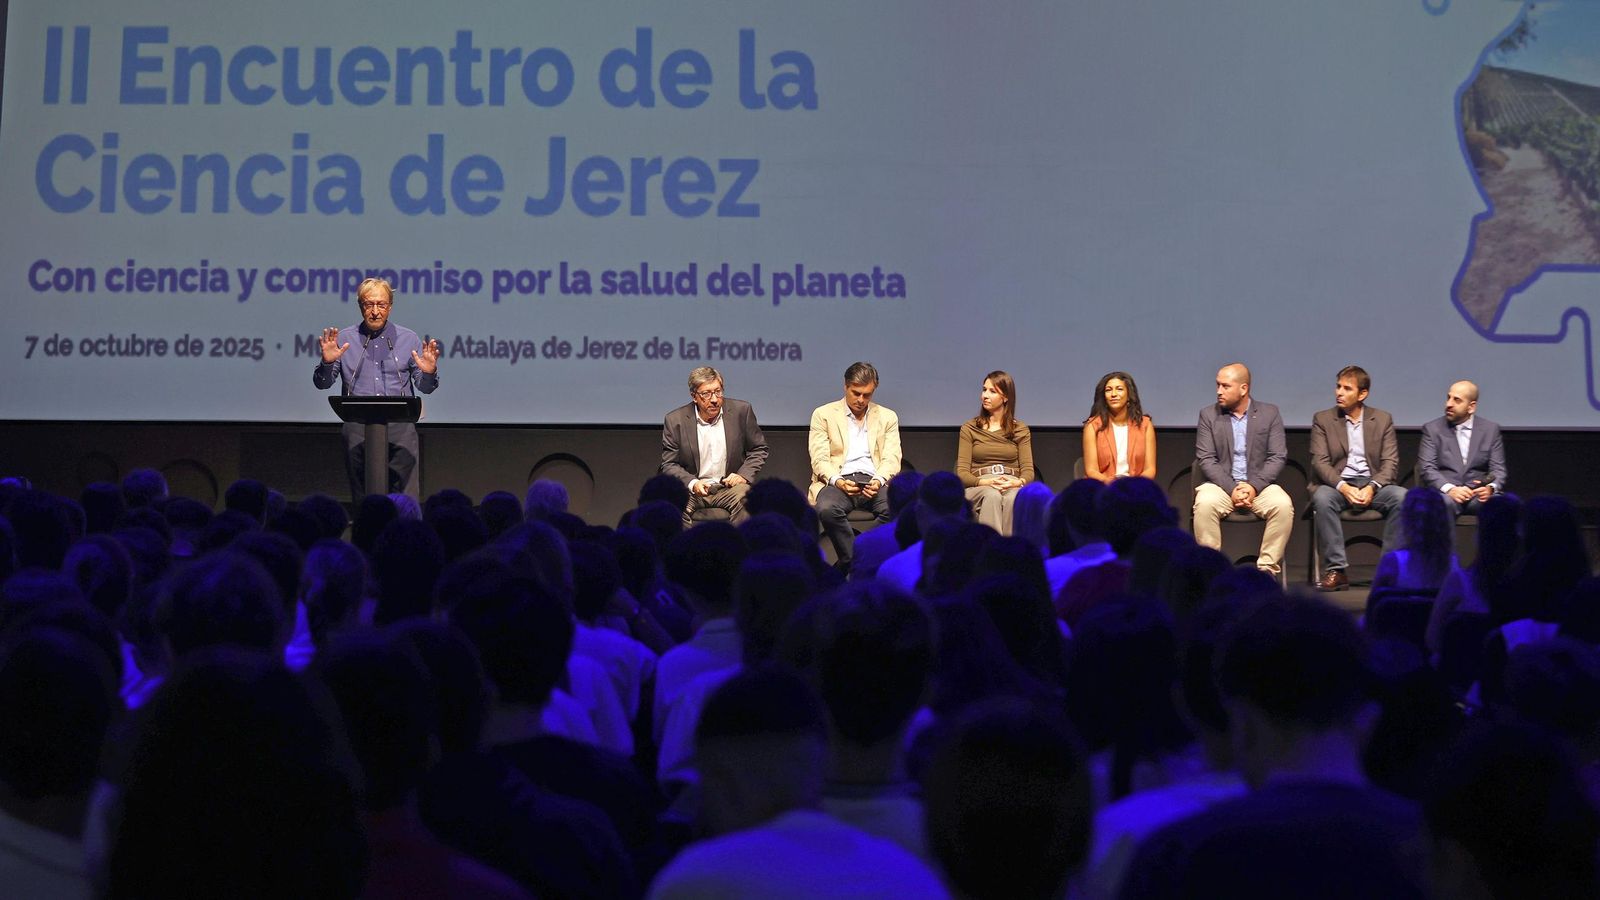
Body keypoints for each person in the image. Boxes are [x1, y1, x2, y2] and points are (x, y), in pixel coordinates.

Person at [313, 277, 441, 502]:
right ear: (360, 306)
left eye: (381, 304)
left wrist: (429, 373)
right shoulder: (345, 339)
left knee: (405, 498)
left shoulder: (407, 338)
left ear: (390, 306)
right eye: (368, 304)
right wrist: (327, 363)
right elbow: (323, 383)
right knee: (362, 497)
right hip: (357, 427)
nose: (375, 311)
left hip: (400, 428)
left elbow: (425, 387)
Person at [1309, 365, 1406, 591]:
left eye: (1347, 388)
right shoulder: (1323, 419)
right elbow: (1319, 462)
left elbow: (1390, 462)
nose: (1339, 393)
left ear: (1362, 394)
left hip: (1374, 484)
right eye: (1338, 387)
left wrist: (1372, 487)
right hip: (1337, 485)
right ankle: (1336, 570)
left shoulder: (1382, 419)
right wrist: (1344, 487)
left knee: (1402, 497)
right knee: (1322, 498)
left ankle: (1388, 572)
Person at [1192, 362, 1292, 577]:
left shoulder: (1269, 413)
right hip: (1221, 485)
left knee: (1283, 505)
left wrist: (1253, 487)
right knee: (1204, 503)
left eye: (1225, 386)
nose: (1219, 391)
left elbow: (1277, 456)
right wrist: (1232, 489)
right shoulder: (1208, 415)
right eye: (1218, 385)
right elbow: (1206, 459)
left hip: (1259, 486)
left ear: (1243, 389)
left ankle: (1267, 570)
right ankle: (1210, 571)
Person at [807, 362, 902, 571]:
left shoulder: (887, 417)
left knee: (898, 508)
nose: (861, 400)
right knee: (827, 509)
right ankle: (857, 560)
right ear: (846, 386)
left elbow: (892, 458)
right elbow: (819, 459)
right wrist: (838, 481)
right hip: (838, 480)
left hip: (874, 480)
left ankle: (853, 555)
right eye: (856, 393)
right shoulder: (823, 414)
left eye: (867, 395)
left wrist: (879, 480)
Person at [659, 367, 769, 527]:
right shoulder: (675, 420)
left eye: (718, 392)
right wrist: (693, 483)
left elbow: (759, 448)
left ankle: (740, 542)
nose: (714, 399)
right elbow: (669, 464)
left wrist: (743, 476)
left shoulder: (741, 411)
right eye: (706, 394)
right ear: (694, 396)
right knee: (672, 503)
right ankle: (684, 543)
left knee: (747, 497)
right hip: (692, 490)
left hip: (728, 488)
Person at [956, 371, 1035, 536]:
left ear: (1005, 397)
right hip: (980, 487)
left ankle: (1010, 548)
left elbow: (1028, 471)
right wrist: (985, 482)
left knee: (1013, 498)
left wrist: (1017, 482)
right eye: (984, 389)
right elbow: (962, 473)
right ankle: (991, 547)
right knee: (991, 495)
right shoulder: (969, 428)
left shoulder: (1020, 430)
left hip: (1010, 484)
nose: (985, 395)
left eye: (992, 391)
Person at [1417, 380, 1506, 516]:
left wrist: (1490, 488)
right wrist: (1450, 489)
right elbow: (1427, 468)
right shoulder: (1432, 429)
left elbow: (1498, 469)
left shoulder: (1490, 430)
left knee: (1500, 504)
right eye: (1448, 398)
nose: (1449, 404)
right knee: (1441, 504)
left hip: (1476, 493)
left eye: (1457, 400)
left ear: (1471, 407)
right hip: (1445, 493)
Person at [1082, 371, 1156, 483]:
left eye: (1119, 389)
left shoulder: (1145, 425)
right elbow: (1091, 470)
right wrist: (1112, 485)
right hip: (1103, 487)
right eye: (1108, 390)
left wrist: (1133, 486)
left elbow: (1150, 469)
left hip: (1135, 487)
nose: (1113, 394)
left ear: (1129, 395)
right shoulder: (1092, 426)